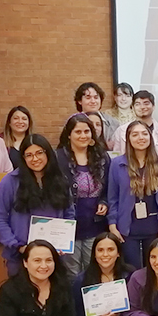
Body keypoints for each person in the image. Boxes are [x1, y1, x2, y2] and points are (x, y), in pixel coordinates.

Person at [0, 134, 74, 276]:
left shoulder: (61, 180)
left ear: (48, 153)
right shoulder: (10, 181)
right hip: (20, 257)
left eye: (39, 153)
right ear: (23, 158)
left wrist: (64, 243)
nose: (35, 159)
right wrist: (16, 245)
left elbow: (69, 213)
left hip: (54, 257)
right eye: (29, 155)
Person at [107, 121, 158, 269]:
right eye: (135, 134)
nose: (140, 138)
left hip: (154, 228)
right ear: (128, 139)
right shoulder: (117, 164)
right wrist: (112, 225)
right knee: (132, 271)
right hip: (127, 229)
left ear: (150, 137)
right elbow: (112, 198)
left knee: (154, 270)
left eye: (144, 134)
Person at [56, 113, 111, 276]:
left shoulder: (102, 157)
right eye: (78, 132)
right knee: (71, 274)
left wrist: (104, 201)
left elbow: (109, 187)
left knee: (93, 271)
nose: (83, 136)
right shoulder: (58, 158)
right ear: (69, 134)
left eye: (86, 131)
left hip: (95, 225)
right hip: (68, 226)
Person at [110, 90, 158, 178]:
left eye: (146, 103)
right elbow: (116, 159)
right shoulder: (121, 131)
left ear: (153, 106)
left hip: (156, 182)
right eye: (137, 104)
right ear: (132, 107)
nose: (142, 107)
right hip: (128, 180)